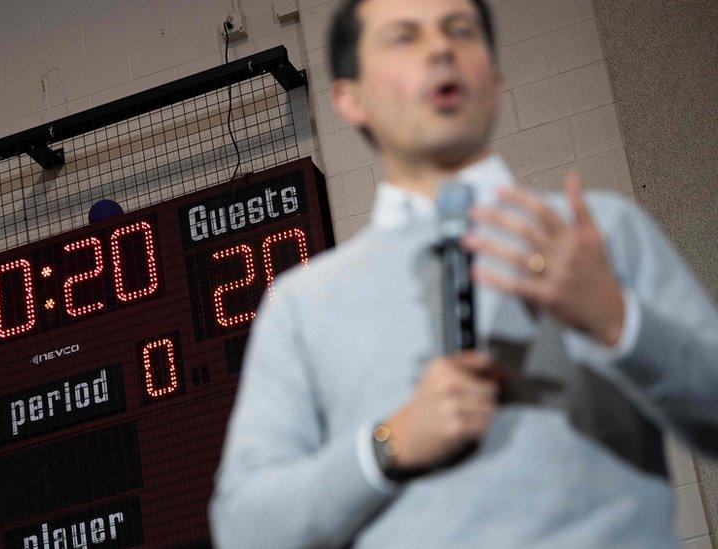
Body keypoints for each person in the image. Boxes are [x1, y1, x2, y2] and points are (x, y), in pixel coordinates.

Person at [208, 0, 718, 546]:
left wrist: (620, 321)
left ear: (495, 79)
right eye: (405, 37)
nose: (441, 49)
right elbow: (243, 528)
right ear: (350, 99)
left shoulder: (603, 234)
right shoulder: (301, 306)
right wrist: (389, 444)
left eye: (460, 31)